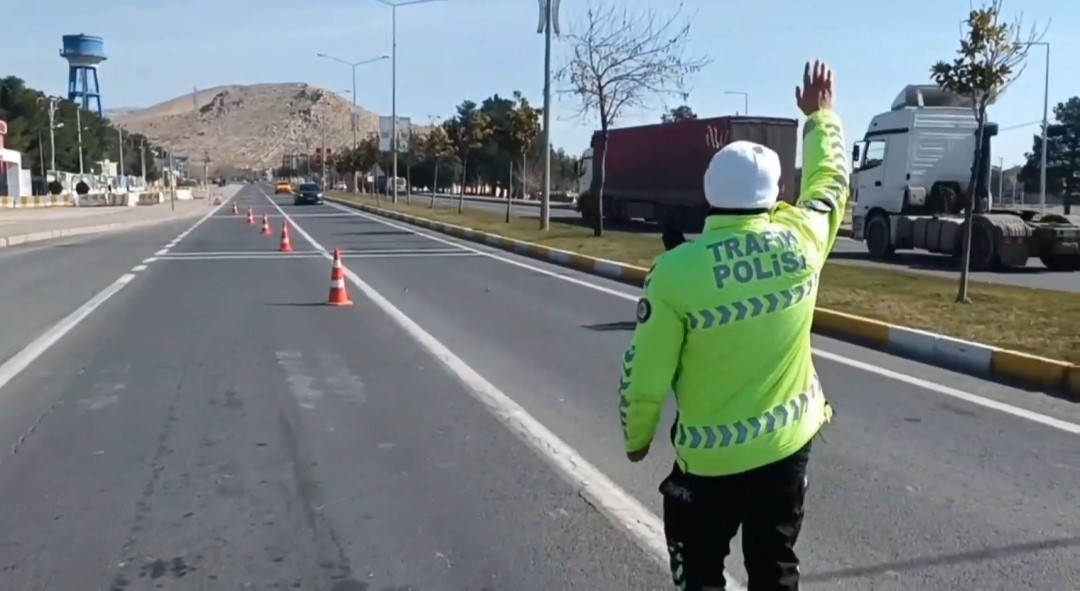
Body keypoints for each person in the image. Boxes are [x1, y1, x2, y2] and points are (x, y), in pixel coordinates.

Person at [618, 60, 847, 591]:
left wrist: (637, 437)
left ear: (709, 193)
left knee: (699, 571)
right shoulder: (802, 242)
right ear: (774, 194)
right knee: (774, 566)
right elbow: (830, 184)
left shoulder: (675, 274)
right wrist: (821, 118)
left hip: (708, 462)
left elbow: (645, 371)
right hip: (787, 447)